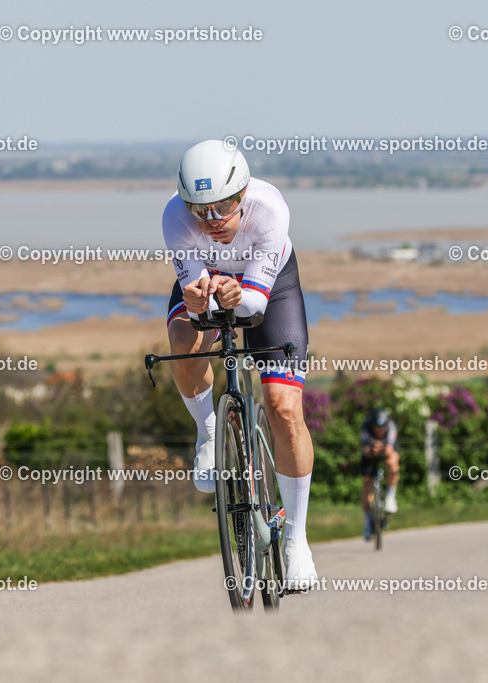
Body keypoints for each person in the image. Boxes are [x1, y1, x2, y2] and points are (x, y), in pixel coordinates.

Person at [162, 139, 316, 589]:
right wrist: (199, 303)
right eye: (200, 210)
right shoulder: (174, 217)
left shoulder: (269, 210)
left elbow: (253, 309)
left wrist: (236, 296)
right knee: (183, 345)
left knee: (283, 406)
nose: (212, 220)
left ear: (243, 193)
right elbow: (197, 302)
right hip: (210, 284)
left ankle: (297, 541)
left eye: (224, 206)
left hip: (270, 288)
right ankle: (210, 432)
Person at [359, 408, 400, 540]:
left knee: (393, 462)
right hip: (370, 454)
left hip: (387, 451)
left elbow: (391, 448)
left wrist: (385, 449)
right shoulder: (366, 427)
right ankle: (367, 523)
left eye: (382, 428)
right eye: (377, 428)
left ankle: (390, 497)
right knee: (366, 486)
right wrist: (371, 449)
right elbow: (365, 450)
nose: (379, 431)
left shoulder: (391, 426)